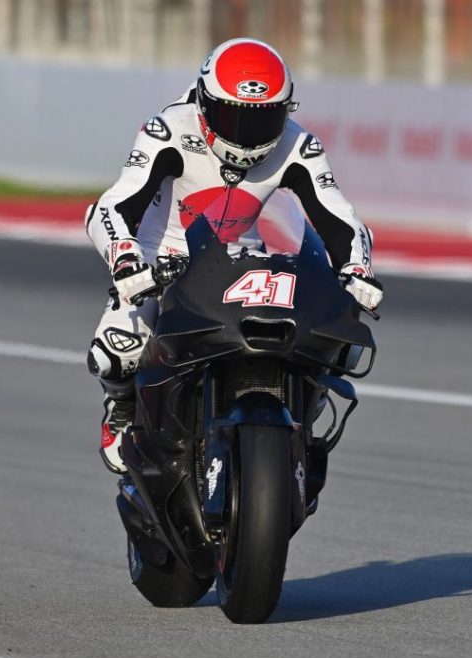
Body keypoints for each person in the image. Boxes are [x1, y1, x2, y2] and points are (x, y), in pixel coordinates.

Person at [85, 38, 383, 473]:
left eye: (263, 121)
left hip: (233, 256)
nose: (246, 136)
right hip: (159, 259)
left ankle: (298, 428)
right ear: (205, 104)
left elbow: (338, 215)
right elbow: (114, 205)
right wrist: (126, 258)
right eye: (232, 117)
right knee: (114, 354)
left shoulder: (299, 147)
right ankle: (124, 407)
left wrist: (357, 267)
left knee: (323, 337)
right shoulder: (168, 130)